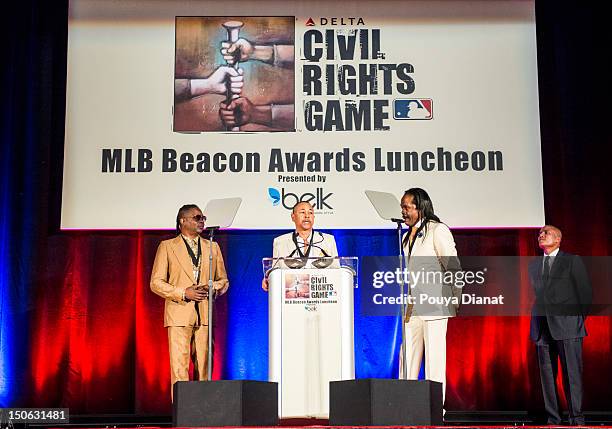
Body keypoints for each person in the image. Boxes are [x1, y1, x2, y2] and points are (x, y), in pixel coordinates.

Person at [150, 204, 229, 398]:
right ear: (182, 221)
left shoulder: (213, 246)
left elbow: (223, 280)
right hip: (179, 313)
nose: (202, 221)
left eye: (203, 218)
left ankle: (204, 410)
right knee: (179, 367)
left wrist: (214, 289)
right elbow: (156, 283)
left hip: (205, 313)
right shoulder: (167, 247)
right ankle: (182, 412)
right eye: (197, 217)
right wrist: (183, 292)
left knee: (205, 366)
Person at [399, 187, 461, 408]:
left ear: (420, 206)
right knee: (407, 358)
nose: (403, 211)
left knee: (434, 358)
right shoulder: (406, 236)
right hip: (412, 305)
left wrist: (455, 298)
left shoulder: (437, 230)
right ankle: (405, 406)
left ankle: (435, 409)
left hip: (436, 303)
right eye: (402, 207)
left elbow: (452, 265)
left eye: (407, 207)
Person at [529, 225, 591, 425]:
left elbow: (585, 294)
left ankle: (576, 419)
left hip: (568, 326)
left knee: (571, 375)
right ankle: (553, 420)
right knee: (547, 378)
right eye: (539, 233)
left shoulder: (572, 261)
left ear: (558, 239)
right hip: (542, 328)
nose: (541, 235)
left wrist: (575, 320)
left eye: (546, 233)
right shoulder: (534, 265)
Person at [262, 201, 338, 291]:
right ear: (293, 217)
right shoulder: (280, 242)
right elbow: (275, 272)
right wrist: (269, 279)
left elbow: (337, 271)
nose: (307, 216)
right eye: (302, 212)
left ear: (314, 217)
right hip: (292, 296)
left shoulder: (328, 240)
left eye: (310, 212)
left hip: (320, 293)